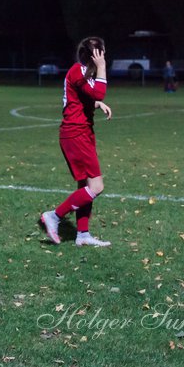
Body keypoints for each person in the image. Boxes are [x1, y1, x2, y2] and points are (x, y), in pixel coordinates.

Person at [39, 36, 114, 247]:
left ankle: (82, 234)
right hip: (75, 134)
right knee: (96, 186)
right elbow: (99, 90)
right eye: (102, 53)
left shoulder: (84, 73)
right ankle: (54, 216)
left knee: (85, 184)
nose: (104, 56)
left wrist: (98, 104)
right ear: (95, 55)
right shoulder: (78, 70)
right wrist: (102, 67)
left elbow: (91, 94)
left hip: (83, 133)